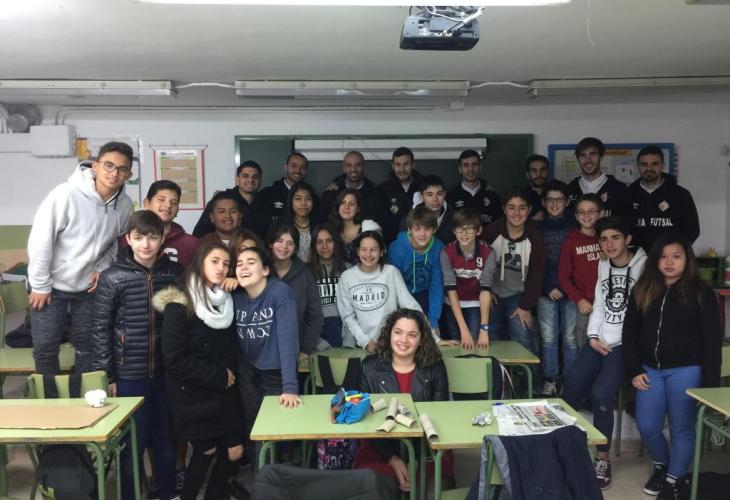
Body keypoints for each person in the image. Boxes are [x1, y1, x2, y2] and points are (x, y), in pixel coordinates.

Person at [91, 210, 183, 500]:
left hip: (166, 372)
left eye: (152, 237)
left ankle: (167, 493)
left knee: (165, 440)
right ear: (128, 239)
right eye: (139, 237)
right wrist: (108, 376)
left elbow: (181, 322)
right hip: (128, 375)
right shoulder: (112, 277)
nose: (146, 244)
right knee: (132, 444)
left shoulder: (174, 274)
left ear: (162, 239)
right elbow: (100, 329)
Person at [623, 234, 722, 499]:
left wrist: (709, 387)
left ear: (687, 260)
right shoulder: (643, 289)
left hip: (686, 370)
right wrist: (634, 369)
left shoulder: (702, 293)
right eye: (663, 256)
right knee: (647, 426)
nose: (669, 262)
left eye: (676, 256)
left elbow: (712, 341)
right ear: (655, 260)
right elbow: (629, 332)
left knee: (682, 428)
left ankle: (674, 478)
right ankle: (662, 465)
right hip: (648, 371)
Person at [28, 141, 134, 375]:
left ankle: (84, 394)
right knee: (45, 348)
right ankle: (49, 396)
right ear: (95, 166)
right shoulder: (65, 194)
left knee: (88, 347)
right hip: (50, 286)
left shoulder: (125, 205)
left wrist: (103, 268)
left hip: (88, 287)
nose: (114, 173)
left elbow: (116, 241)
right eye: (108, 165)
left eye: (122, 169)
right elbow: (41, 240)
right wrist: (40, 285)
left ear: (129, 174)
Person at [562, 216, 647, 491]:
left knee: (600, 396)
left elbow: (643, 313)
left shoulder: (644, 267)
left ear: (628, 239)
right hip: (599, 340)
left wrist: (620, 343)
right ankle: (564, 449)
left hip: (624, 345)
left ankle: (602, 458)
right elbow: (599, 304)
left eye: (615, 238)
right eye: (604, 239)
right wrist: (593, 337)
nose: (609, 244)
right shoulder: (603, 264)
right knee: (571, 388)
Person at [159, 240, 243, 500]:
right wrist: (219, 376)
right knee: (206, 451)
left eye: (226, 264)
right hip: (192, 395)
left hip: (224, 392)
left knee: (234, 452)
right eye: (214, 261)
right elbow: (174, 359)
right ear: (199, 262)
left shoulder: (225, 299)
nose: (221, 268)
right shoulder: (179, 299)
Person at [354, 308, 452, 496]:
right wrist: (393, 459)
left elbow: (437, 417)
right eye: (398, 332)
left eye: (412, 335)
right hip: (380, 446)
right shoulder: (369, 367)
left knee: (434, 492)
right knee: (378, 488)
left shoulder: (435, 367)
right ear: (389, 334)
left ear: (421, 339)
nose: (403, 340)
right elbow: (366, 423)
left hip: (427, 447)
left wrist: (414, 459)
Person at [233, 246, 301, 465]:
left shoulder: (279, 292)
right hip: (247, 371)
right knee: (254, 430)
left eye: (251, 262)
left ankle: (276, 478)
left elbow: (288, 340)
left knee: (277, 433)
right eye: (239, 264)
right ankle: (260, 479)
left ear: (265, 270)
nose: (243, 267)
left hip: (275, 372)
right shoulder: (235, 296)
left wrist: (289, 386)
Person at [336, 231, 423, 351]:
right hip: (360, 346)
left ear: (381, 252)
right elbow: (347, 317)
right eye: (363, 249)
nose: (368, 254)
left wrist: (434, 337)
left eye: (373, 250)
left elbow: (410, 305)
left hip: (391, 343)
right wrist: (365, 341)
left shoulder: (391, 272)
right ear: (358, 251)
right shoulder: (347, 277)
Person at [483, 188, 545, 355]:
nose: (516, 213)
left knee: (522, 339)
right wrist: (485, 291)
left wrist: (526, 306)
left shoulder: (535, 237)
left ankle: (529, 373)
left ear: (529, 210)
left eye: (522, 208)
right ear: (504, 209)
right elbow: (478, 264)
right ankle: (498, 373)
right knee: (493, 340)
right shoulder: (492, 231)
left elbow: (537, 274)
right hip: (493, 296)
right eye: (511, 207)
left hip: (519, 297)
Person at [536, 180, 577, 396]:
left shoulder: (574, 226)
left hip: (571, 292)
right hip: (545, 292)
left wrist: (564, 286)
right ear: (543, 202)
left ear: (567, 202)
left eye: (559, 200)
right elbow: (534, 264)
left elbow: (578, 263)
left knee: (570, 339)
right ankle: (550, 380)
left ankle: (571, 382)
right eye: (550, 200)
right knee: (549, 338)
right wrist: (548, 286)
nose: (554, 204)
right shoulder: (537, 228)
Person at [440, 208, 496, 348]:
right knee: (455, 342)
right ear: (454, 231)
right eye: (460, 229)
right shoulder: (446, 252)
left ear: (478, 230)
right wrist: (463, 329)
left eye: (469, 229)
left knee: (476, 342)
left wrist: (484, 329)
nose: (464, 234)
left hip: (475, 303)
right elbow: (451, 291)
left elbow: (485, 290)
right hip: (452, 303)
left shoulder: (488, 252)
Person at [267, 224, 324, 363]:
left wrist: (306, 349)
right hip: (264, 350)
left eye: (290, 243)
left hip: (294, 351)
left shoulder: (304, 274)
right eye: (279, 241)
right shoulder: (261, 271)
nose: (284, 247)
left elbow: (315, 315)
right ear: (270, 244)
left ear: (296, 249)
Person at [628, 145, 700, 253]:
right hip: (636, 258)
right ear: (637, 166)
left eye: (655, 164)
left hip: (669, 259)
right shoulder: (628, 195)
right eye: (644, 164)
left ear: (662, 165)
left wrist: (673, 253)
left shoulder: (681, 195)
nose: (649, 168)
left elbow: (692, 231)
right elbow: (621, 230)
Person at [388, 206, 444, 336]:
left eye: (427, 229)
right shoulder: (397, 248)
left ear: (434, 229)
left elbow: (436, 285)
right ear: (409, 229)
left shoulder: (438, 248)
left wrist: (434, 322)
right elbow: (394, 286)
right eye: (417, 229)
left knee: (427, 335)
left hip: (424, 293)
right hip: (402, 293)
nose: (422, 234)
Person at [558, 193, 603, 349]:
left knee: (606, 342)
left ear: (600, 214)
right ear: (576, 216)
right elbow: (564, 277)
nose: (586, 215)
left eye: (591, 211)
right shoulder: (571, 241)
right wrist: (579, 299)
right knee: (583, 344)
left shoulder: (605, 239)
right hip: (585, 304)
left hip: (606, 303)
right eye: (582, 212)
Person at [119, 180, 198, 267]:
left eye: (174, 202)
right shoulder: (126, 240)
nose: (168, 205)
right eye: (161, 200)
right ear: (147, 203)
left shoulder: (191, 243)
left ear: (177, 210)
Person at [193, 160, 268, 238]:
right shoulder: (221, 199)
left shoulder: (265, 202)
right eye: (245, 176)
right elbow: (199, 233)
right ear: (237, 179)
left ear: (260, 180)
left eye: (255, 177)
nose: (250, 180)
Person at [566, 137, 630, 220]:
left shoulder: (620, 190)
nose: (588, 160)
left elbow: (625, 224)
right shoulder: (569, 190)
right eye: (583, 155)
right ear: (578, 159)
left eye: (593, 154)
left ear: (601, 157)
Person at [309, 224, 350, 349]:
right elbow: (304, 314)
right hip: (317, 331)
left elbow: (356, 309)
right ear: (314, 245)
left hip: (344, 329)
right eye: (319, 242)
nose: (325, 246)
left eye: (329, 241)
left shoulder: (349, 269)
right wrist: (317, 343)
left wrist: (349, 340)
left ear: (336, 242)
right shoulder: (307, 272)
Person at [369, 147, 422, 245]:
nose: (402, 169)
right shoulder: (381, 191)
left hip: (421, 244)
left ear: (413, 164)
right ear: (392, 166)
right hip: (390, 245)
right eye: (398, 164)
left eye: (406, 164)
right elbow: (374, 219)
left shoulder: (424, 187)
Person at [446, 149, 502, 227]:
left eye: (474, 164)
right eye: (466, 165)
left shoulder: (493, 196)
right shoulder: (451, 197)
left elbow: (499, 225)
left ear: (480, 167)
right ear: (460, 169)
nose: (470, 169)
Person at [259, 152, 315, 224]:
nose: (298, 170)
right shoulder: (267, 194)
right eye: (294, 166)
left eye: (303, 167)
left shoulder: (313, 197)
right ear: (286, 167)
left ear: (306, 170)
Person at [329, 188, 381, 264]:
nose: (347, 207)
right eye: (343, 203)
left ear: (358, 209)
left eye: (351, 204)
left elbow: (379, 256)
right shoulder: (332, 230)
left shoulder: (369, 227)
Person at [320, 150, 376, 219]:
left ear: (364, 167)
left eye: (358, 165)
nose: (353, 169)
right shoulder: (331, 194)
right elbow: (323, 221)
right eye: (349, 165)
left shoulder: (374, 195)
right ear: (344, 168)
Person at [282, 181, 320, 263]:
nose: (303, 203)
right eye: (298, 199)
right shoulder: (280, 226)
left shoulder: (320, 226)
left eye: (308, 199)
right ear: (291, 201)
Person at [410, 174, 454, 244]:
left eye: (439, 194)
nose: (435, 199)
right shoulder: (410, 219)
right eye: (429, 194)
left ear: (444, 194)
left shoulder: (455, 218)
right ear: (421, 196)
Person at [525, 154, 550, 220]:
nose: (539, 174)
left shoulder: (557, 194)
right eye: (534, 170)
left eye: (542, 170)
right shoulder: (521, 196)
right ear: (527, 174)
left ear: (547, 172)